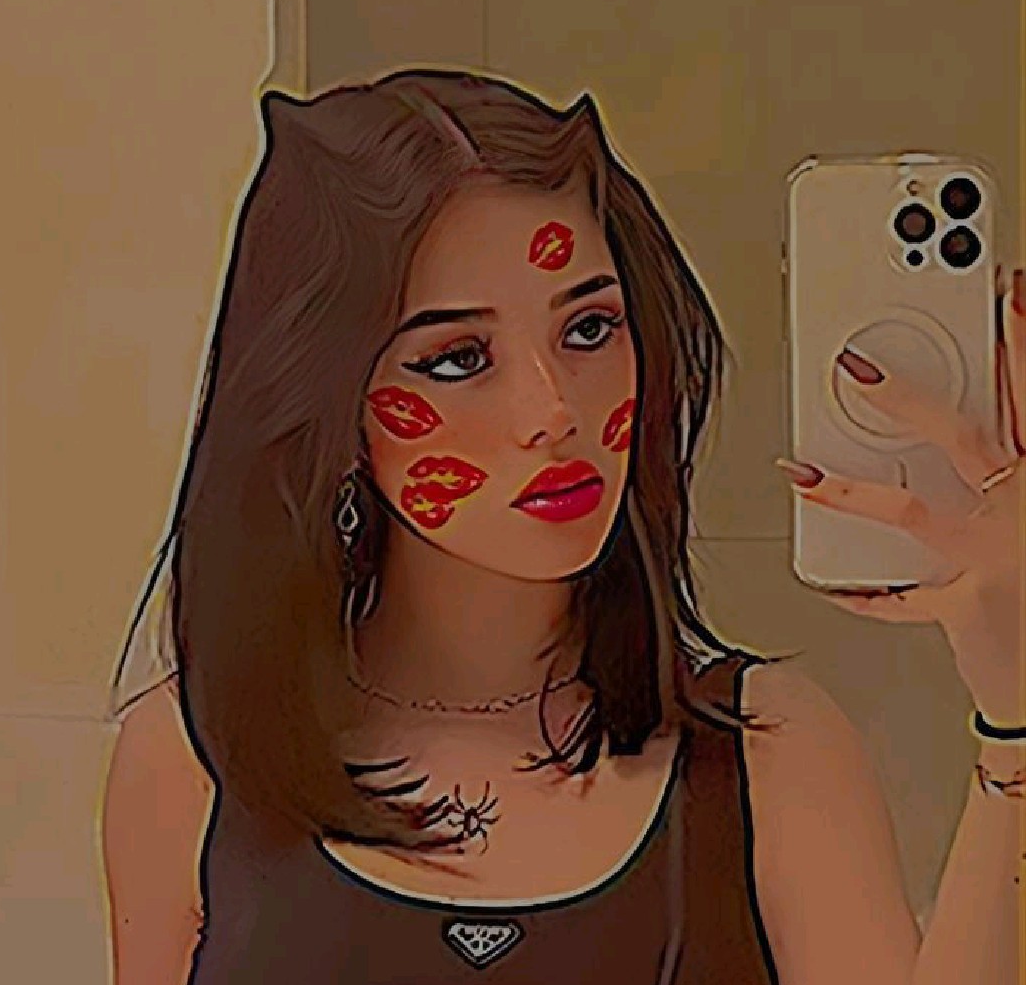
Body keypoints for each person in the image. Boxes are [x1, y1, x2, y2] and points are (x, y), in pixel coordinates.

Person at [101, 69, 1025, 985]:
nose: (552, 411)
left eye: (587, 329)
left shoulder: (769, 753)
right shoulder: (191, 761)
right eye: (458, 358)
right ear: (326, 401)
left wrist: (1017, 716)